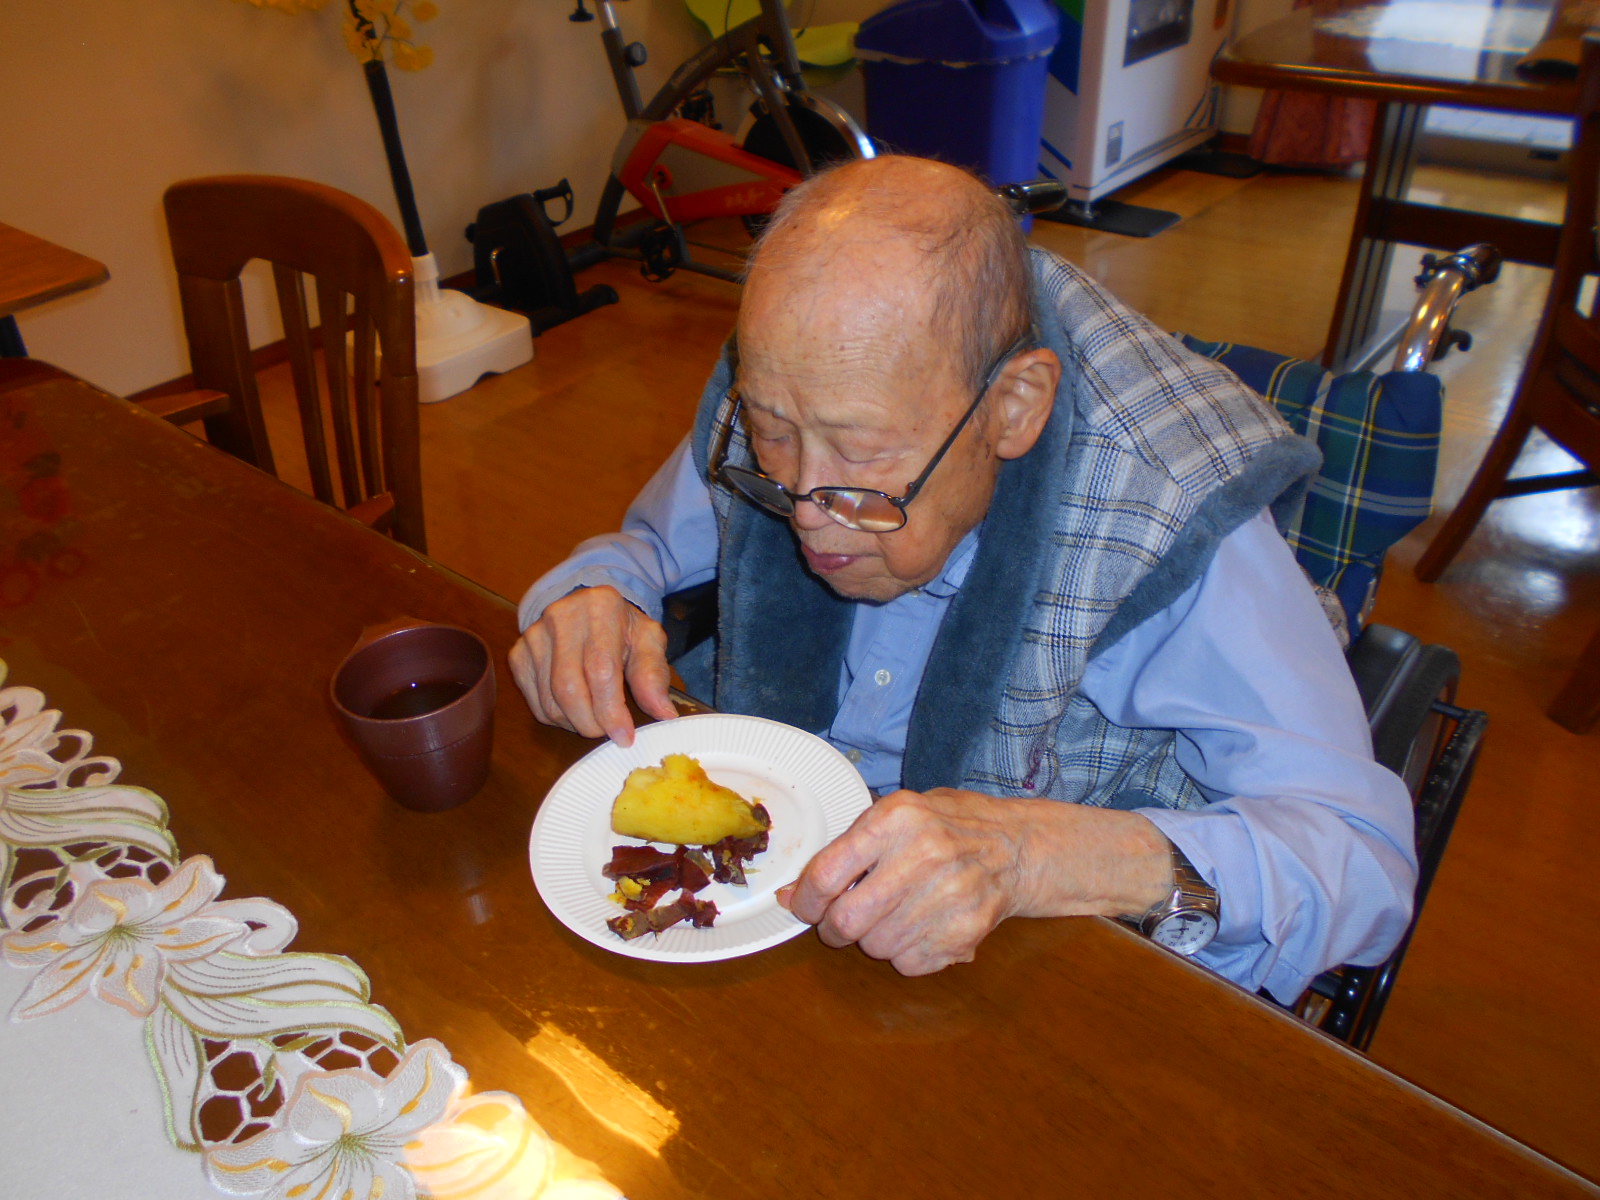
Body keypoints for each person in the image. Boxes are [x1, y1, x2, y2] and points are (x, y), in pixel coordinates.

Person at [511, 156, 1416, 1003]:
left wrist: (1029, 855)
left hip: (1016, 980)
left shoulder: (1166, 511)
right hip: (771, 937)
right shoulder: (803, 374)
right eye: (774, 434)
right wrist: (597, 596)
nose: (804, 509)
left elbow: (1365, 865)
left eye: (862, 457)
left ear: (1013, 409)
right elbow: (645, 551)